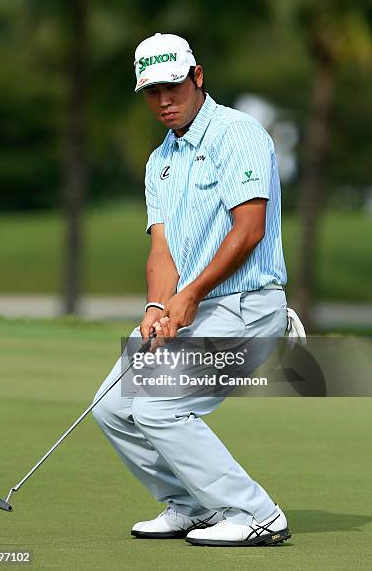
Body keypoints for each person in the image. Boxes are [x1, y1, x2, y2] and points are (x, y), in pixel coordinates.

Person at [92, 33, 297, 547]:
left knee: (158, 404)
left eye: (173, 87)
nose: (164, 101)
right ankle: (191, 506)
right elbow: (162, 251)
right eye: (152, 91)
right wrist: (158, 303)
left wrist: (190, 296)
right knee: (113, 405)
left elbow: (249, 230)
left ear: (197, 77)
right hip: (197, 309)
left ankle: (254, 513)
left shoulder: (238, 133)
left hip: (248, 310)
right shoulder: (158, 162)